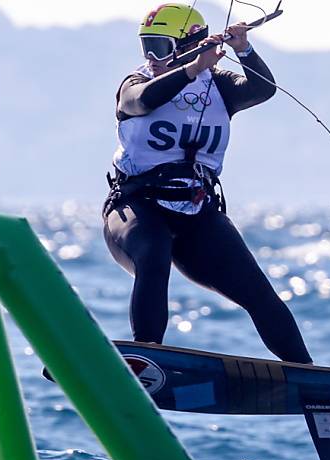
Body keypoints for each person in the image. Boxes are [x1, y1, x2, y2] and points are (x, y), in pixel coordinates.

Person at [104, 3, 312, 364]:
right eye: (146, 45)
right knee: (154, 253)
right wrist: (192, 68)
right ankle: (148, 354)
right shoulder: (135, 83)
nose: (152, 57)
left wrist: (243, 49)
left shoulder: (221, 86)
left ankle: (305, 372)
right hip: (135, 209)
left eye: (161, 46)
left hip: (196, 212)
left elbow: (262, 91)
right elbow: (141, 102)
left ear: (190, 44)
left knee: (257, 291)